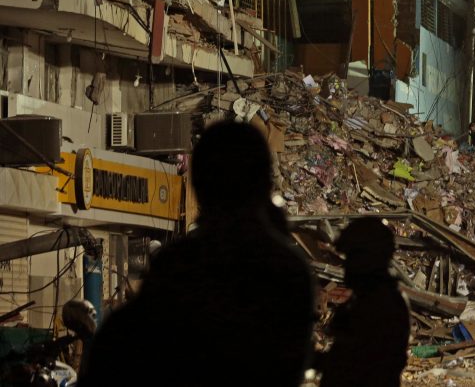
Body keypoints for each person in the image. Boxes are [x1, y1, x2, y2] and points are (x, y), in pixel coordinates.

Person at [79, 121, 316, 387]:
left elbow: (123, 348)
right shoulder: (289, 269)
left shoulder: (183, 264)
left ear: (201, 184)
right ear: (263, 180)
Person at [318, 217, 410, 387]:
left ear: (367, 260)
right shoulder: (368, 299)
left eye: (352, 258)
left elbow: (359, 366)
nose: (346, 267)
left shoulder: (380, 306)